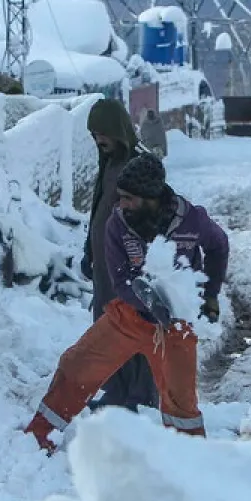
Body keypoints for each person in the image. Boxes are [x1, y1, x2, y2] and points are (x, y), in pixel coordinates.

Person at [24, 153, 229, 452]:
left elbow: (218, 246)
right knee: (76, 365)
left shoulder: (192, 220)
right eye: (120, 198)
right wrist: (148, 300)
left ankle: (190, 461)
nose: (122, 204)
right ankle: (37, 439)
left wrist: (209, 293)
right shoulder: (117, 224)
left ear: (151, 197)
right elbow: (120, 280)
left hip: (175, 327)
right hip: (130, 317)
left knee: (180, 404)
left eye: (129, 198)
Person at [82, 99, 161, 413]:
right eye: (94, 134)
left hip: (129, 265)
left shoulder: (139, 164)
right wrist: (89, 251)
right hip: (105, 266)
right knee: (108, 327)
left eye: (103, 133)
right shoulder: (110, 162)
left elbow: (152, 215)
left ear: (117, 130)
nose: (99, 140)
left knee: (134, 326)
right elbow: (99, 211)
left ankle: (138, 395)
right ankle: (116, 388)